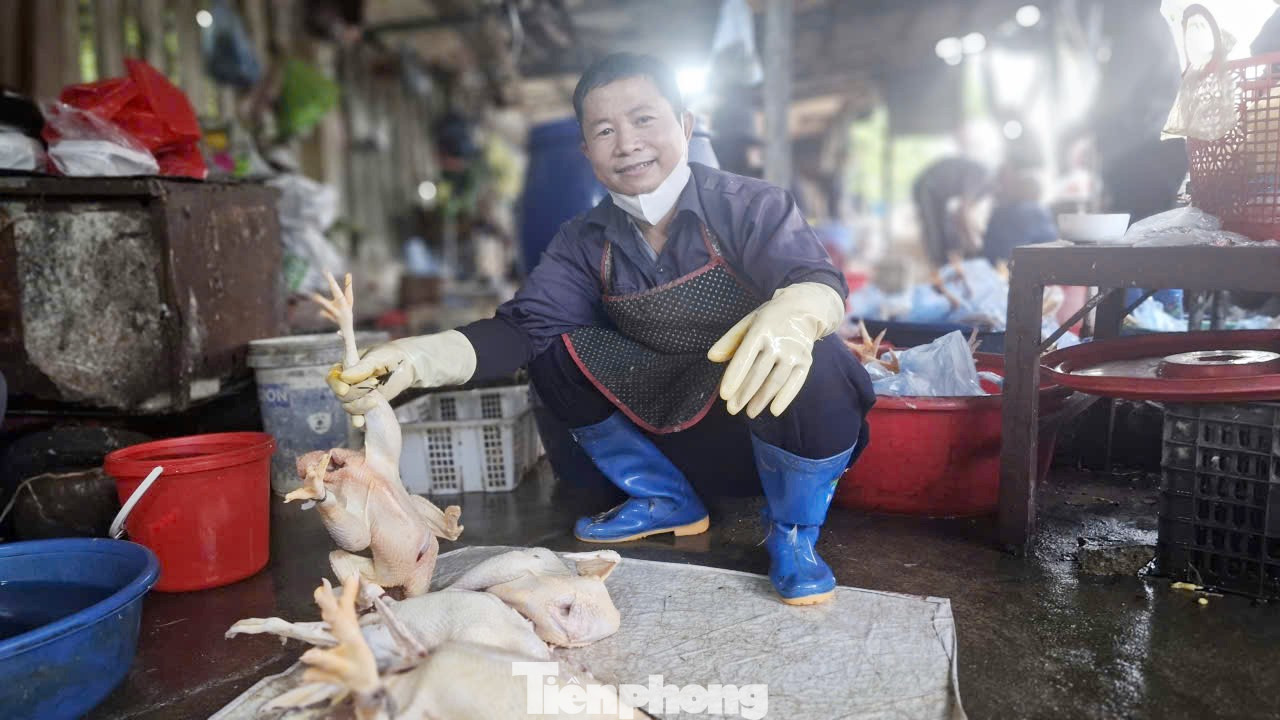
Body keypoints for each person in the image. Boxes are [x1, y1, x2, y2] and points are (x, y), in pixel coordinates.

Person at [327, 53, 875, 606]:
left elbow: (815, 276)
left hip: (769, 437)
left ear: (683, 126)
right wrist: (417, 359)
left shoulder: (749, 206)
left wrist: (798, 310)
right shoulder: (583, 241)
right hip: (677, 442)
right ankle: (665, 501)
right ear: (587, 152)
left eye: (644, 120)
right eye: (605, 130)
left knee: (820, 354)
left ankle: (795, 535)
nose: (628, 143)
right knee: (552, 348)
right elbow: (522, 329)